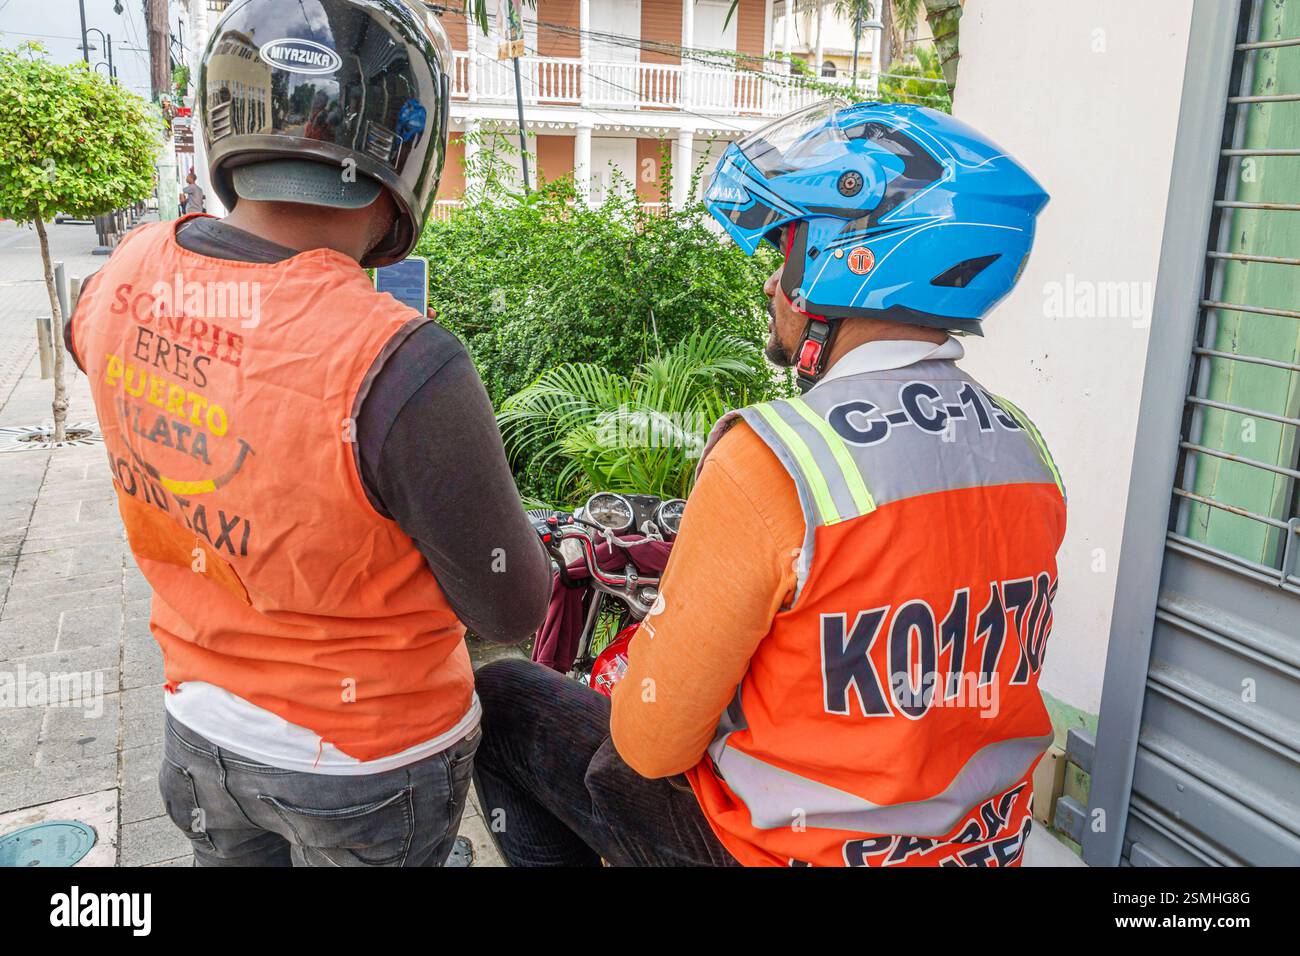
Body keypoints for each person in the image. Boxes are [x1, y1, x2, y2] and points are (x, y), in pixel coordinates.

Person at [472, 101, 1063, 867]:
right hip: (977, 849)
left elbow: (652, 743)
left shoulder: (778, 456)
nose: (774, 285)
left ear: (847, 257)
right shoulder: (1023, 446)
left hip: (791, 853)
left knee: (509, 699)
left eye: (787, 249)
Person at [65, 0, 550, 867]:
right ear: (406, 154)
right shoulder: (403, 362)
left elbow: (122, 366)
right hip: (366, 766)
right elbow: (510, 607)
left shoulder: (122, 274)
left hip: (197, 730)